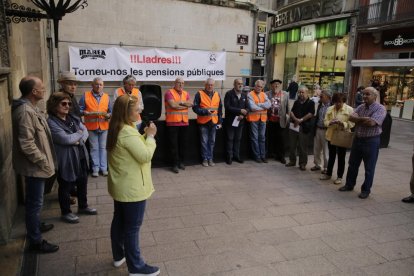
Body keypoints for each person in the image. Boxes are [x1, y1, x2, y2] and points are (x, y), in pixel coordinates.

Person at [107, 94, 160, 276]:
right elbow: (145, 155)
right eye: (137, 109)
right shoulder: (127, 131)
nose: (141, 111)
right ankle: (136, 267)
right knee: (132, 228)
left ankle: (118, 255)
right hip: (132, 189)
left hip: (121, 186)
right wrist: (151, 137)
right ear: (126, 112)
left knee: (120, 222)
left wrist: (144, 135)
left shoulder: (118, 127)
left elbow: (133, 148)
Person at [12, 76, 59, 253]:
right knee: (34, 204)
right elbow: (27, 144)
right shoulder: (25, 111)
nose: (44, 88)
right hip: (35, 167)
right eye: (41, 86)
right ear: (33, 91)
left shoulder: (31, 108)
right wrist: (43, 161)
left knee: (35, 203)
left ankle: (36, 225)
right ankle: (35, 241)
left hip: (37, 166)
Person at [47, 92, 97, 224]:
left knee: (82, 182)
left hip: (80, 155)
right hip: (66, 158)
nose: (67, 106)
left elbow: (84, 131)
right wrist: (78, 134)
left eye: (69, 103)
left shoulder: (72, 118)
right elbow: (65, 138)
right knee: (65, 185)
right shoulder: (52, 122)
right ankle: (66, 212)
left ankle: (83, 206)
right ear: (54, 105)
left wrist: (77, 139)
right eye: (63, 103)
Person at [338, 87, 386, 199]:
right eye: (363, 94)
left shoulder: (380, 108)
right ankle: (349, 185)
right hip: (358, 139)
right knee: (352, 164)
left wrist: (359, 120)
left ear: (375, 96)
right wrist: (364, 119)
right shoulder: (361, 106)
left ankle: (366, 190)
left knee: (369, 168)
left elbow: (371, 123)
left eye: (367, 94)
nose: (364, 96)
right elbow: (351, 117)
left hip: (371, 141)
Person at [79, 77, 112, 177]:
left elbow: (111, 111)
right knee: (94, 148)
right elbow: (79, 110)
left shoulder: (107, 97)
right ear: (92, 85)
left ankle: (104, 168)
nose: (98, 86)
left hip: (104, 126)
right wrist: (84, 112)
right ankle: (95, 169)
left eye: (100, 84)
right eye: (96, 84)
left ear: (103, 86)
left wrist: (108, 115)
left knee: (103, 148)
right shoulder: (85, 95)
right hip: (91, 126)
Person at [320, 93, 354, 185]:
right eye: (336, 102)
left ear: (344, 101)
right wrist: (330, 122)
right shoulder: (330, 108)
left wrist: (342, 123)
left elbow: (352, 123)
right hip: (331, 135)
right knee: (331, 156)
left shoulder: (350, 109)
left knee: (341, 157)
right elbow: (325, 121)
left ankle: (339, 176)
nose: (338, 104)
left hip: (342, 136)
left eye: (340, 102)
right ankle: (328, 173)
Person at [57, 71, 81, 205]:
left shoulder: (72, 97)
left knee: (74, 167)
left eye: (75, 84)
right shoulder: (60, 97)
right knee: (65, 170)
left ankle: (71, 189)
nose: (73, 86)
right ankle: (65, 198)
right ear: (62, 84)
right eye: (69, 84)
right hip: (67, 135)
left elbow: (75, 114)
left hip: (75, 133)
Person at [164, 77, 193, 173]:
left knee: (183, 144)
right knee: (173, 145)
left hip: (184, 123)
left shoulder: (186, 93)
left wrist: (180, 103)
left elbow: (191, 104)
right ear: (175, 83)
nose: (181, 85)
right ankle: (174, 164)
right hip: (172, 123)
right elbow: (173, 105)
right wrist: (184, 105)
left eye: (182, 83)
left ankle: (181, 162)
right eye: (179, 83)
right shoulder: (169, 93)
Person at [192, 78, 223, 167]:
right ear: (205, 85)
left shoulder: (217, 94)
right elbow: (195, 108)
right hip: (203, 122)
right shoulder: (199, 94)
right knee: (204, 142)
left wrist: (220, 122)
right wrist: (205, 112)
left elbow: (220, 110)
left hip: (214, 122)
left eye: (211, 85)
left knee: (212, 142)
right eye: (208, 85)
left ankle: (210, 158)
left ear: (214, 85)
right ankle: (205, 159)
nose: (210, 86)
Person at [286, 85, 315, 171]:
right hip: (294, 126)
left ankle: (302, 163)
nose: (301, 94)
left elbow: (311, 114)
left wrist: (300, 120)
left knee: (303, 147)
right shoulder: (296, 102)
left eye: (303, 92)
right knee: (292, 145)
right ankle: (292, 161)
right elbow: (291, 111)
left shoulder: (311, 103)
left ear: (307, 93)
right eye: (300, 92)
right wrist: (295, 119)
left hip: (304, 127)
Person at [224, 78, 248, 164]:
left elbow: (247, 108)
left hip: (240, 122)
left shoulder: (244, 95)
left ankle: (236, 156)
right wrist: (240, 111)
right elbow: (227, 107)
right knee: (230, 139)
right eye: (238, 83)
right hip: (230, 122)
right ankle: (229, 157)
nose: (240, 85)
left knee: (238, 139)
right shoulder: (229, 94)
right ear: (234, 84)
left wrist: (243, 114)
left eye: (241, 84)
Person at [266, 79, 290, 164]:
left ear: (280, 86)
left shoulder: (285, 94)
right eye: (274, 84)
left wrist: (287, 117)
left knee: (281, 139)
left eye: (278, 84)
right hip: (271, 120)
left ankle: (281, 156)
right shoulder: (267, 94)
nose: (276, 86)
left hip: (281, 120)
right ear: (271, 86)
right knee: (270, 138)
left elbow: (288, 107)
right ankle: (270, 154)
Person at [247, 80, 271, 163]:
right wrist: (263, 106)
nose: (259, 88)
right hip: (254, 119)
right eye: (258, 86)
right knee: (255, 138)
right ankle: (257, 156)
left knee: (262, 138)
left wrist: (259, 105)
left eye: (261, 87)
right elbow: (252, 107)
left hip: (263, 119)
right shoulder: (250, 94)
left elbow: (269, 105)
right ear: (255, 86)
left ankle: (263, 156)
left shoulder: (264, 94)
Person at [311, 89, 332, 173]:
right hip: (318, 129)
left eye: (322, 96)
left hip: (326, 130)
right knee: (316, 149)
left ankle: (326, 168)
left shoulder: (331, 106)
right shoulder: (320, 105)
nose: (320, 97)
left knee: (325, 150)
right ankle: (317, 164)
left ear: (327, 97)